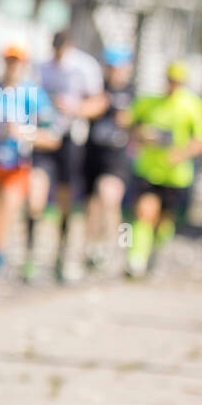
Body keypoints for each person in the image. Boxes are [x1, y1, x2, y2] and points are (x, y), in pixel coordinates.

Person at [27, 29, 104, 282]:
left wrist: (75, 108)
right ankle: (30, 257)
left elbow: (99, 102)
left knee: (65, 200)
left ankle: (61, 255)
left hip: (71, 138)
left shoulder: (85, 67)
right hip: (45, 137)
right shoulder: (41, 67)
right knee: (35, 196)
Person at [124, 61, 202, 278]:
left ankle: (157, 256)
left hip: (176, 176)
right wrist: (141, 134)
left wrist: (181, 154)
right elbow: (130, 124)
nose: (173, 85)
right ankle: (136, 259)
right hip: (149, 169)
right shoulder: (149, 102)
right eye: (171, 81)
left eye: (178, 82)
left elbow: (201, 140)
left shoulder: (193, 105)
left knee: (164, 221)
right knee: (145, 213)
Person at [0, 45, 58, 285]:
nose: (12, 66)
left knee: (5, 216)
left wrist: (24, 133)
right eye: (9, 61)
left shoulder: (32, 94)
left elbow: (53, 136)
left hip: (16, 166)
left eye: (17, 61)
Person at [82, 46, 135, 273]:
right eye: (111, 67)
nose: (114, 72)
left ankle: (119, 245)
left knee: (110, 197)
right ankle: (93, 248)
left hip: (117, 156)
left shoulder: (132, 93)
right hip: (93, 152)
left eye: (118, 67)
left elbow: (132, 121)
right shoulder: (97, 88)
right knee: (93, 204)